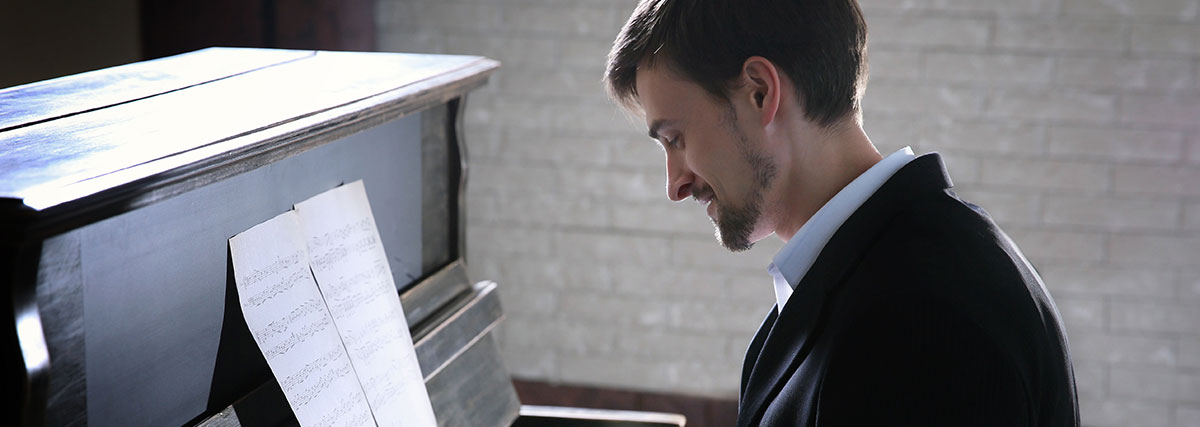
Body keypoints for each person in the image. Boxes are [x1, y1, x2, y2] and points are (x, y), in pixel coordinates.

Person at [602, 1, 1079, 426]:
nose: (675, 185)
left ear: (760, 93)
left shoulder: (920, 315)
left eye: (676, 139)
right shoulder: (896, 271)